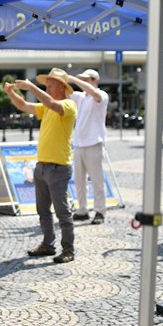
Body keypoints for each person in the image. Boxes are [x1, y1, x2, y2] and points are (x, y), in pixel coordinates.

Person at [5, 68, 77, 264]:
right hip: (42, 166)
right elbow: (23, 105)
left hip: (58, 168)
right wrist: (12, 93)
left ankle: (68, 249)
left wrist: (30, 87)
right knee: (43, 210)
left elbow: (53, 104)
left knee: (62, 212)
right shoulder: (46, 106)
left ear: (62, 86)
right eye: (46, 84)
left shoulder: (69, 104)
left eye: (50, 84)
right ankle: (48, 244)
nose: (47, 86)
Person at [68, 69, 109, 225]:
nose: (84, 82)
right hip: (79, 143)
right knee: (79, 180)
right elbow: (65, 94)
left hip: (94, 143)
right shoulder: (81, 97)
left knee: (97, 180)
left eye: (87, 80)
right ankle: (82, 209)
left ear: (94, 80)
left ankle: (100, 210)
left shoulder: (101, 95)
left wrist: (75, 79)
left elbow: (95, 94)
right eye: (82, 80)